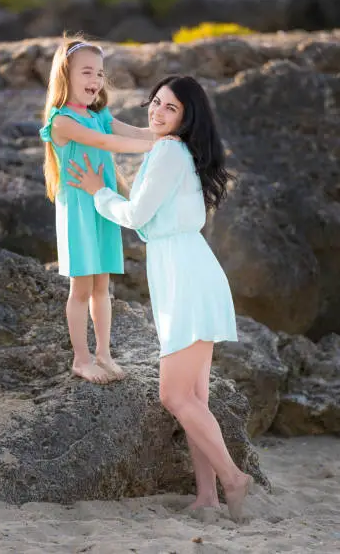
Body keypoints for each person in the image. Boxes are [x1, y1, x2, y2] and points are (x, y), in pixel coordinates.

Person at [67, 75, 253, 521]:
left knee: (174, 396)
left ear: (187, 118)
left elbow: (135, 216)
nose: (156, 112)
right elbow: (152, 211)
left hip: (185, 276)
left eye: (169, 108)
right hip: (187, 269)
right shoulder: (174, 151)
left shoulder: (169, 151)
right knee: (194, 399)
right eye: (154, 103)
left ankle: (233, 477)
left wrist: (98, 192)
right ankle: (207, 496)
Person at [39, 37, 153, 385]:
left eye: (100, 73)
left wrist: (171, 137)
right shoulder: (61, 121)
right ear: (65, 75)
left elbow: (133, 131)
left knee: (102, 286)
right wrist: (154, 146)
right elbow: (108, 144)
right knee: (81, 288)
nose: (96, 79)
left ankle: (103, 353)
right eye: (87, 71)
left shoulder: (99, 115)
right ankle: (81, 358)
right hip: (78, 209)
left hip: (102, 204)